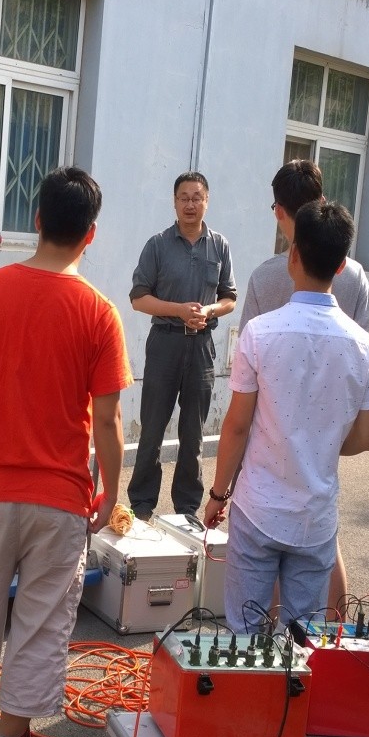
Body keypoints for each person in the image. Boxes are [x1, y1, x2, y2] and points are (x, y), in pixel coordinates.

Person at [0, 167, 131, 737]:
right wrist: (111, 491)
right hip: (60, 497)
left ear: (38, 219)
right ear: (90, 234)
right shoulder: (99, 312)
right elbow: (108, 419)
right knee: (41, 620)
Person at [203, 201, 369, 630]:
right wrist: (322, 442)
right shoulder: (363, 345)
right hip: (315, 516)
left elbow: (237, 426)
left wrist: (218, 494)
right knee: (303, 639)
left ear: (293, 255)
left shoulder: (260, 332)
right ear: (341, 265)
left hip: (257, 507)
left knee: (245, 635)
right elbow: (366, 437)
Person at [241, 159, 369, 614]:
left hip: (268, 440)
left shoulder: (265, 276)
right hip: (325, 440)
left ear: (280, 211)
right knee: (321, 547)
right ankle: (331, 633)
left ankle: (270, 642)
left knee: (263, 553)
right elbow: (363, 360)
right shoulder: (350, 273)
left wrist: (221, 489)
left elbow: (245, 380)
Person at [127, 171, 235, 522]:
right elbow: (138, 298)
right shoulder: (157, 245)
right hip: (165, 344)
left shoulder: (219, 245)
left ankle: (187, 508)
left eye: (197, 197)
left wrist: (209, 310)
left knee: (194, 432)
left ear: (207, 201)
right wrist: (178, 310)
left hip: (201, 347)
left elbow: (230, 298)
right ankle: (142, 504)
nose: (190, 204)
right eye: (184, 198)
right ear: (174, 202)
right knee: (152, 427)